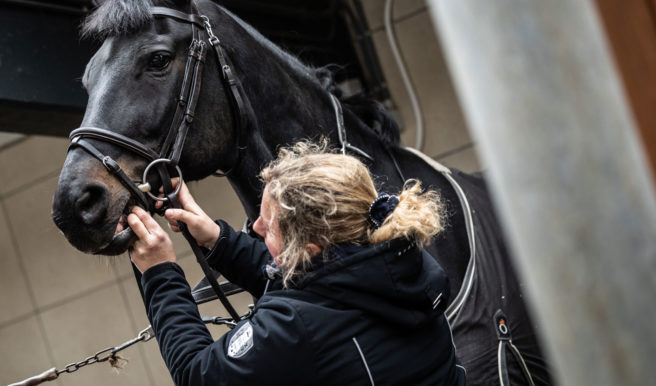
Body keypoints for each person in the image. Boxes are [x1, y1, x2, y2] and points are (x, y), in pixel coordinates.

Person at [127, 141, 466, 385]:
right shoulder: (401, 265)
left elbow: (196, 375)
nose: (256, 228)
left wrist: (160, 273)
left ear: (309, 249)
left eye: (268, 225)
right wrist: (217, 239)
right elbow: (317, 289)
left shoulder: (294, 327)